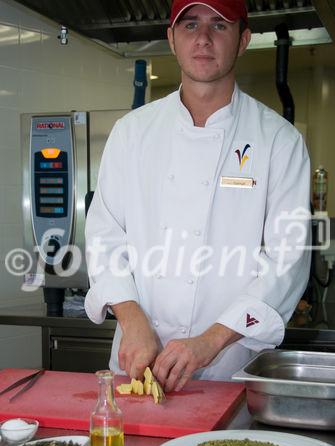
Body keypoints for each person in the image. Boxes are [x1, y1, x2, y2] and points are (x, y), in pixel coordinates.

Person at [85, 0, 311, 392]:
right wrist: (132, 319)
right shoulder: (132, 133)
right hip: (139, 364)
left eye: (219, 25)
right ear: (171, 39)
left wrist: (211, 341)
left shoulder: (279, 141)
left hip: (229, 370)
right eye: (190, 25)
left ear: (243, 40)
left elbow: (287, 262)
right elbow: (104, 237)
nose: (203, 38)